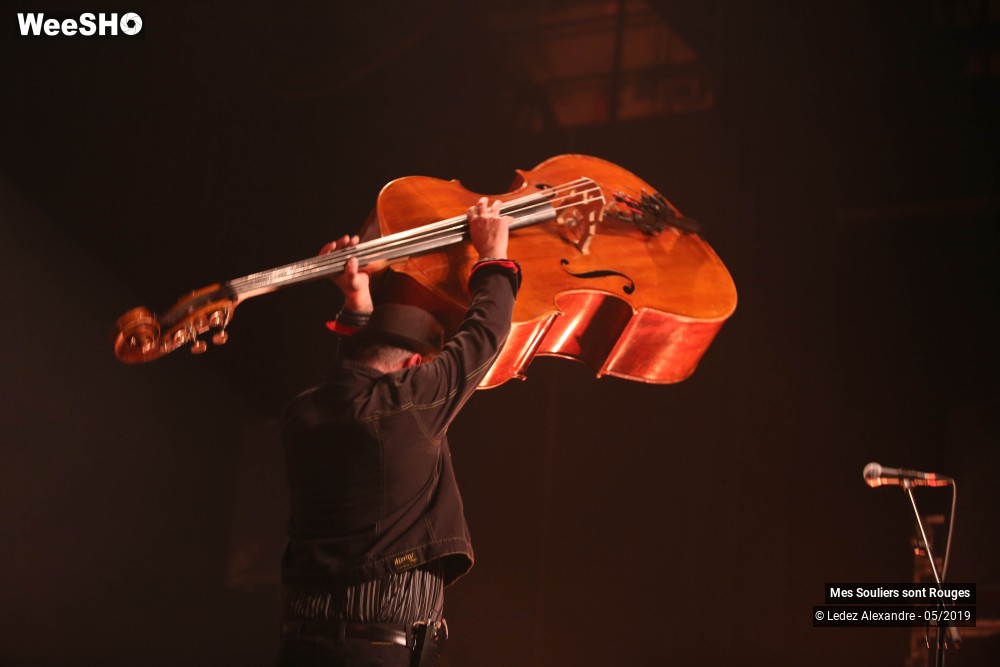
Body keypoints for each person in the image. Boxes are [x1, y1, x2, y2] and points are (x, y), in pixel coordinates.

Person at [278, 198, 520, 666]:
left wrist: (356, 304)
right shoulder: (402, 404)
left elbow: (349, 379)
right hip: (376, 655)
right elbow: (484, 337)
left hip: (303, 647)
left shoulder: (302, 414)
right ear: (414, 367)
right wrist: (493, 256)